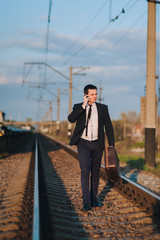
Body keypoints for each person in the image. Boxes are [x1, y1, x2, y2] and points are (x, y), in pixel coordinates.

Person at [68, 84, 115, 211]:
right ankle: (86, 202)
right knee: (85, 170)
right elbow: (71, 119)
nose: (95, 96)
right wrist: (83, 106)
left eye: (96, 94)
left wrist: (111, 144)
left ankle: (94, 199)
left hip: (97, 144)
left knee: (95, 172)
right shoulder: (79, 107)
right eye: (92, 94)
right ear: (86, 95)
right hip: (83, 143)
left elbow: (108, 127)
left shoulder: (102, 108)